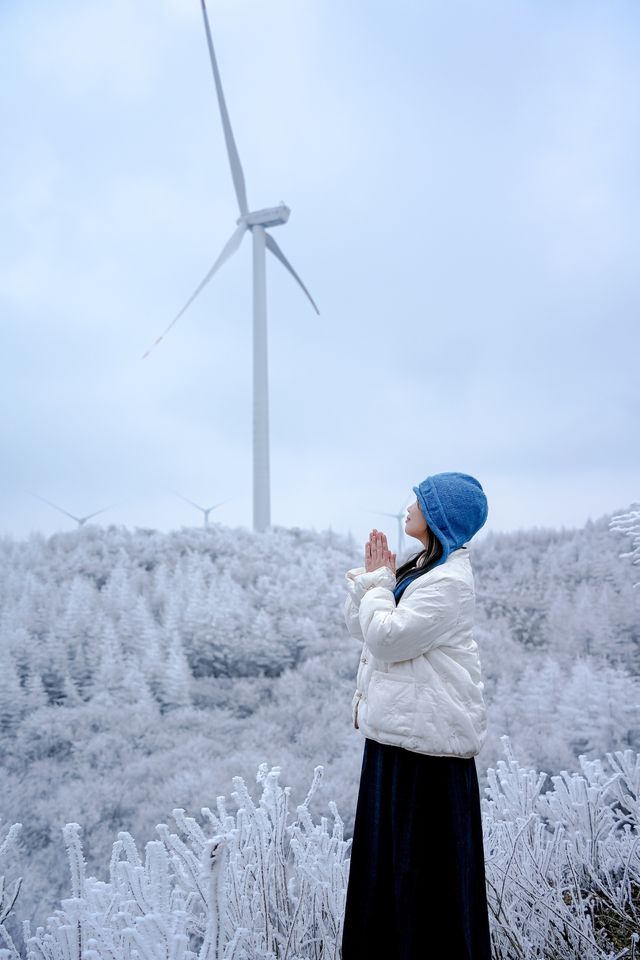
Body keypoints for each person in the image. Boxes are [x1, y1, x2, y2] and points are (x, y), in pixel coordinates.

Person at [340, 472, 492, 960]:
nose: (409, 506)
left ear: (440, 517)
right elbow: (366, 628)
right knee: (392, 878)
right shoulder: (425, 568)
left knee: (420, 881)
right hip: (399, 741)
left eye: (420, 500)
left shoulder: (447, 583)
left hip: (426, 757)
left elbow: (387, 638)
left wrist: (380, 585)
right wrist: (373, 582)